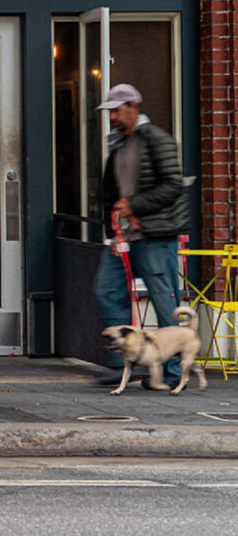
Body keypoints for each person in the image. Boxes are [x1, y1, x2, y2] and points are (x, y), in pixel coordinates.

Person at [93, 83, 189, 387]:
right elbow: (110, 191)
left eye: (117, 111)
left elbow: (173, 185)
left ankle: (172, 371)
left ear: (133, 106)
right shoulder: (118, 145)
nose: (112, 118)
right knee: (106, 292)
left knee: (164, 302)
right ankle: (125, 360)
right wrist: (112, 229)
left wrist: (133, 205)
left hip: (156, 235)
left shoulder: (157, 139)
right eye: (110, 112)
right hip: (124, 237)